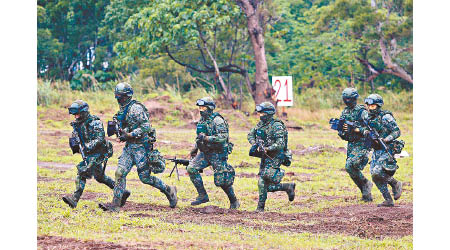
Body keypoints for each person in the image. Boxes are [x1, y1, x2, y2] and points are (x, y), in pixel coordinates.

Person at [99, 82, 177, 212]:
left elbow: (146, 126)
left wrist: (130, 134)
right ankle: (115, 204)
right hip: (130, 148)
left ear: (127, 96)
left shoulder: (136, 108)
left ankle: (169, 190)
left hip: (142, 148)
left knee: (145, 178)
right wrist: (122, 134)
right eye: (117, 96)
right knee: (119, 172)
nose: (118, 98)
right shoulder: (123, 109)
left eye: (121, 96)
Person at [63, 100, 130, 208]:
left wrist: (86, 146)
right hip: (90, 153)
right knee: (100, 177)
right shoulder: (78, 124)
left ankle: (74, 199)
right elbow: (77, 138)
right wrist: (75, 143)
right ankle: (122, 191)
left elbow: (99, 139)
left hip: (99, 153)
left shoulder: (95, 122)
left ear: (84, 112)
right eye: (74, 114)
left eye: (77, 114)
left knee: (82, 171)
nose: (75, 116)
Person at [187, 97, 240, 209]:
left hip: (218, 153)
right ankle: (202, 195)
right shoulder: (202, 120)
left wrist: (206, 138)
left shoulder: (217, 120)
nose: (201, 110)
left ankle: (234, 201)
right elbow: (200, 136)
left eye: (203, 108)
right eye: (199, 108)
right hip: (205, 153)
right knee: (191, 168)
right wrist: (195, 149)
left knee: (222, 180)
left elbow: (222, 137)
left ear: (210, 108)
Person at [248, 102, 295, 212]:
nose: (260, 116)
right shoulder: (260, 124)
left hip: (276, 156)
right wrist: (254, 144)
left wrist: (267, 148)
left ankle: (260, 207)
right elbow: (250, 135)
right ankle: (287, 187)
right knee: (264, 184)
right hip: (265, 156)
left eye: (262, 114)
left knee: (263, 179)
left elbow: (280, 144)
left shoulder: (277, 126)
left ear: (269, 114)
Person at [364, 94, 403, 207]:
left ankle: (395, 183)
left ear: (378, 106)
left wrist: (386, 139)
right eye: (368, 106)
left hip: (387, 148)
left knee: (377, 172)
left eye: (373, 106)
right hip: (376, 149)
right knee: (374, 175)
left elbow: (397, 131)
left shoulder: (386, 117)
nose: (370, 108)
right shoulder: (367, 117)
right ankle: (388, 200)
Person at [337, 88, 373, 202]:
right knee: (349, 168)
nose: (347, 101)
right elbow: (342, 131)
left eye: (349, 99)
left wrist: (357, 129)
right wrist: (342, 131)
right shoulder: (345, 112)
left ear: (354, 99)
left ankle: (366, 185)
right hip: (352, 144)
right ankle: (365, 191)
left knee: (352, 165)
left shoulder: (362, 112)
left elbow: (371, 128)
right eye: (345, 99)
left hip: (362, 143)